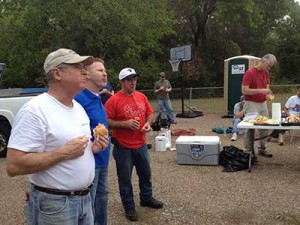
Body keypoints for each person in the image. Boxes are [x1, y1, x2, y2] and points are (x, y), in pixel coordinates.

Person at [6, 48, 109, 225]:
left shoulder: (78, 108)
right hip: (55, 205)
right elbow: (13, 165)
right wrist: (63, 153)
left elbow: (74, 149)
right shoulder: (35, 110)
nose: (85, 72)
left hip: (85, 199)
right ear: (57, 73)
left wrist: (93, 148)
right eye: (78, 67)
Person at [105, 67, 163, 222]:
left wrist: (148, 124)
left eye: (134, 79)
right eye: (129, 80)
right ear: (122, 82)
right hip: (123, 147)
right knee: (125, 179)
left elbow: (150, 113)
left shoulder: (141, 96)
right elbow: (107, 121)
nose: (133, 82)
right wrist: (125, 124)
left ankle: (146, 198)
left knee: (146, 174)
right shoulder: (113, 100)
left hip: (141, 144)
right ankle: (129, 206)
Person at [75, 58, 110, 225]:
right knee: (89, 205)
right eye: (100, 70)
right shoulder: (79, 100)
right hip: (90, 164)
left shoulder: (98, 98)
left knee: (102, 201)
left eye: (105, 71)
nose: (105, 74)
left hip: (103, 161)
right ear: (86, 75)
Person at [242, 53, 277, 158]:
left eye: (270, 67)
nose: (269, 69)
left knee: (265, 127)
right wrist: (261, 90)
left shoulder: (266, 73)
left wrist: (267, 94)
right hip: (251, 103)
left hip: (263, 103)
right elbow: (244, 90)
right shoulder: (250, 73)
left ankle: (262, 148)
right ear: (263, 61)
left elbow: (267, 87)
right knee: (250, 128)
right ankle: (248, 151)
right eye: (268, 66)